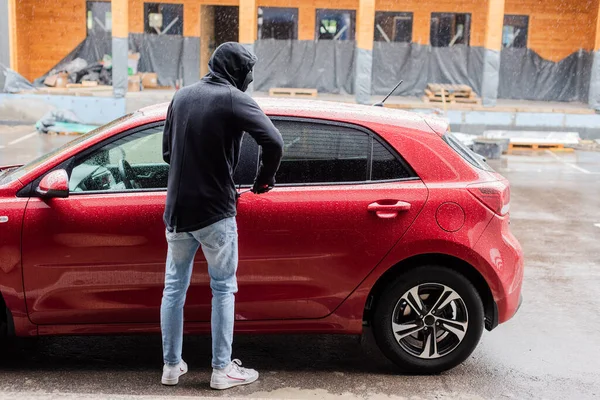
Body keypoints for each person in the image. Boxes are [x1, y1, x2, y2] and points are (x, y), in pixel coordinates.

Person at [160, 42, 284, 390]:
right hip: (215, 211)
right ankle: (220, 370)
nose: (250, 79)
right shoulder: (233, 98)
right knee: (223, 289)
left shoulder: (181, 96)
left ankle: (171, 367)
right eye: (248, 72)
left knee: (173, 289)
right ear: (237, 71)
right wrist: (264, 178)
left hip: (177, 212)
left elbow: (168, 152)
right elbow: (273, 141)